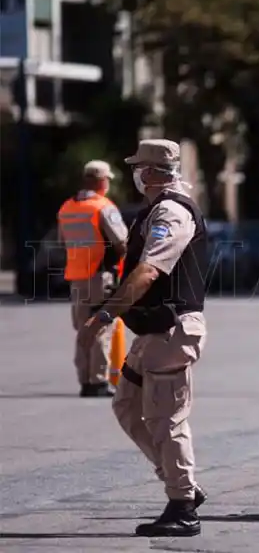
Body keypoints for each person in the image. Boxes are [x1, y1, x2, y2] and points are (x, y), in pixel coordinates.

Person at [77, 139, 209, 537]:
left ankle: (184, 505)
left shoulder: (171, 212)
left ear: (151, 172)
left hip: (171, 330)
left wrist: (104, 315)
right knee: (127, 404)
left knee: (167, 420)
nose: (136, 173)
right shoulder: (151, 211)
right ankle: (181, 483)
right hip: (152, 330)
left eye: (139, 167)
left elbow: (150, 271)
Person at [58, 160, 128, 397]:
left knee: (82, 329)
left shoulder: (67, 207)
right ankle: (98, 381)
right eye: (107, 179)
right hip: (100, 276)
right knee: (100, 327)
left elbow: (62, 242)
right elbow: (121, 242)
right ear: (101, 181)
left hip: (76, 276)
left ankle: (85, 381)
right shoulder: (103, 207)